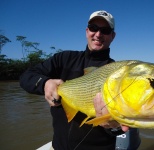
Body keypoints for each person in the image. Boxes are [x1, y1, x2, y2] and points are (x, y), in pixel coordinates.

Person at [20, 10, 140, 150]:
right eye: (93, 28)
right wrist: (44, 83)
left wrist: (113, 126)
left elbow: (120, 129)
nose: (98, 34)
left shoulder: (119, 74)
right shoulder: (64, 59)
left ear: (112, 36)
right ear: (86, 31)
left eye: (105, 30)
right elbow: (26, 76)